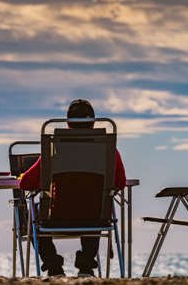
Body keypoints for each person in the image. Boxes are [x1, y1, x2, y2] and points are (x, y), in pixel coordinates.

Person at [19, 99, 126, 277]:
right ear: (92, 123)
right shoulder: (109, 150)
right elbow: (120, 183)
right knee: (97, 203)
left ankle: (53, 267)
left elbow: (25, 184)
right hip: (95, 217)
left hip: (57, 216)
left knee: (33, 214)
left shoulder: (54, 148)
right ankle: (86, 266)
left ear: (68, 124)